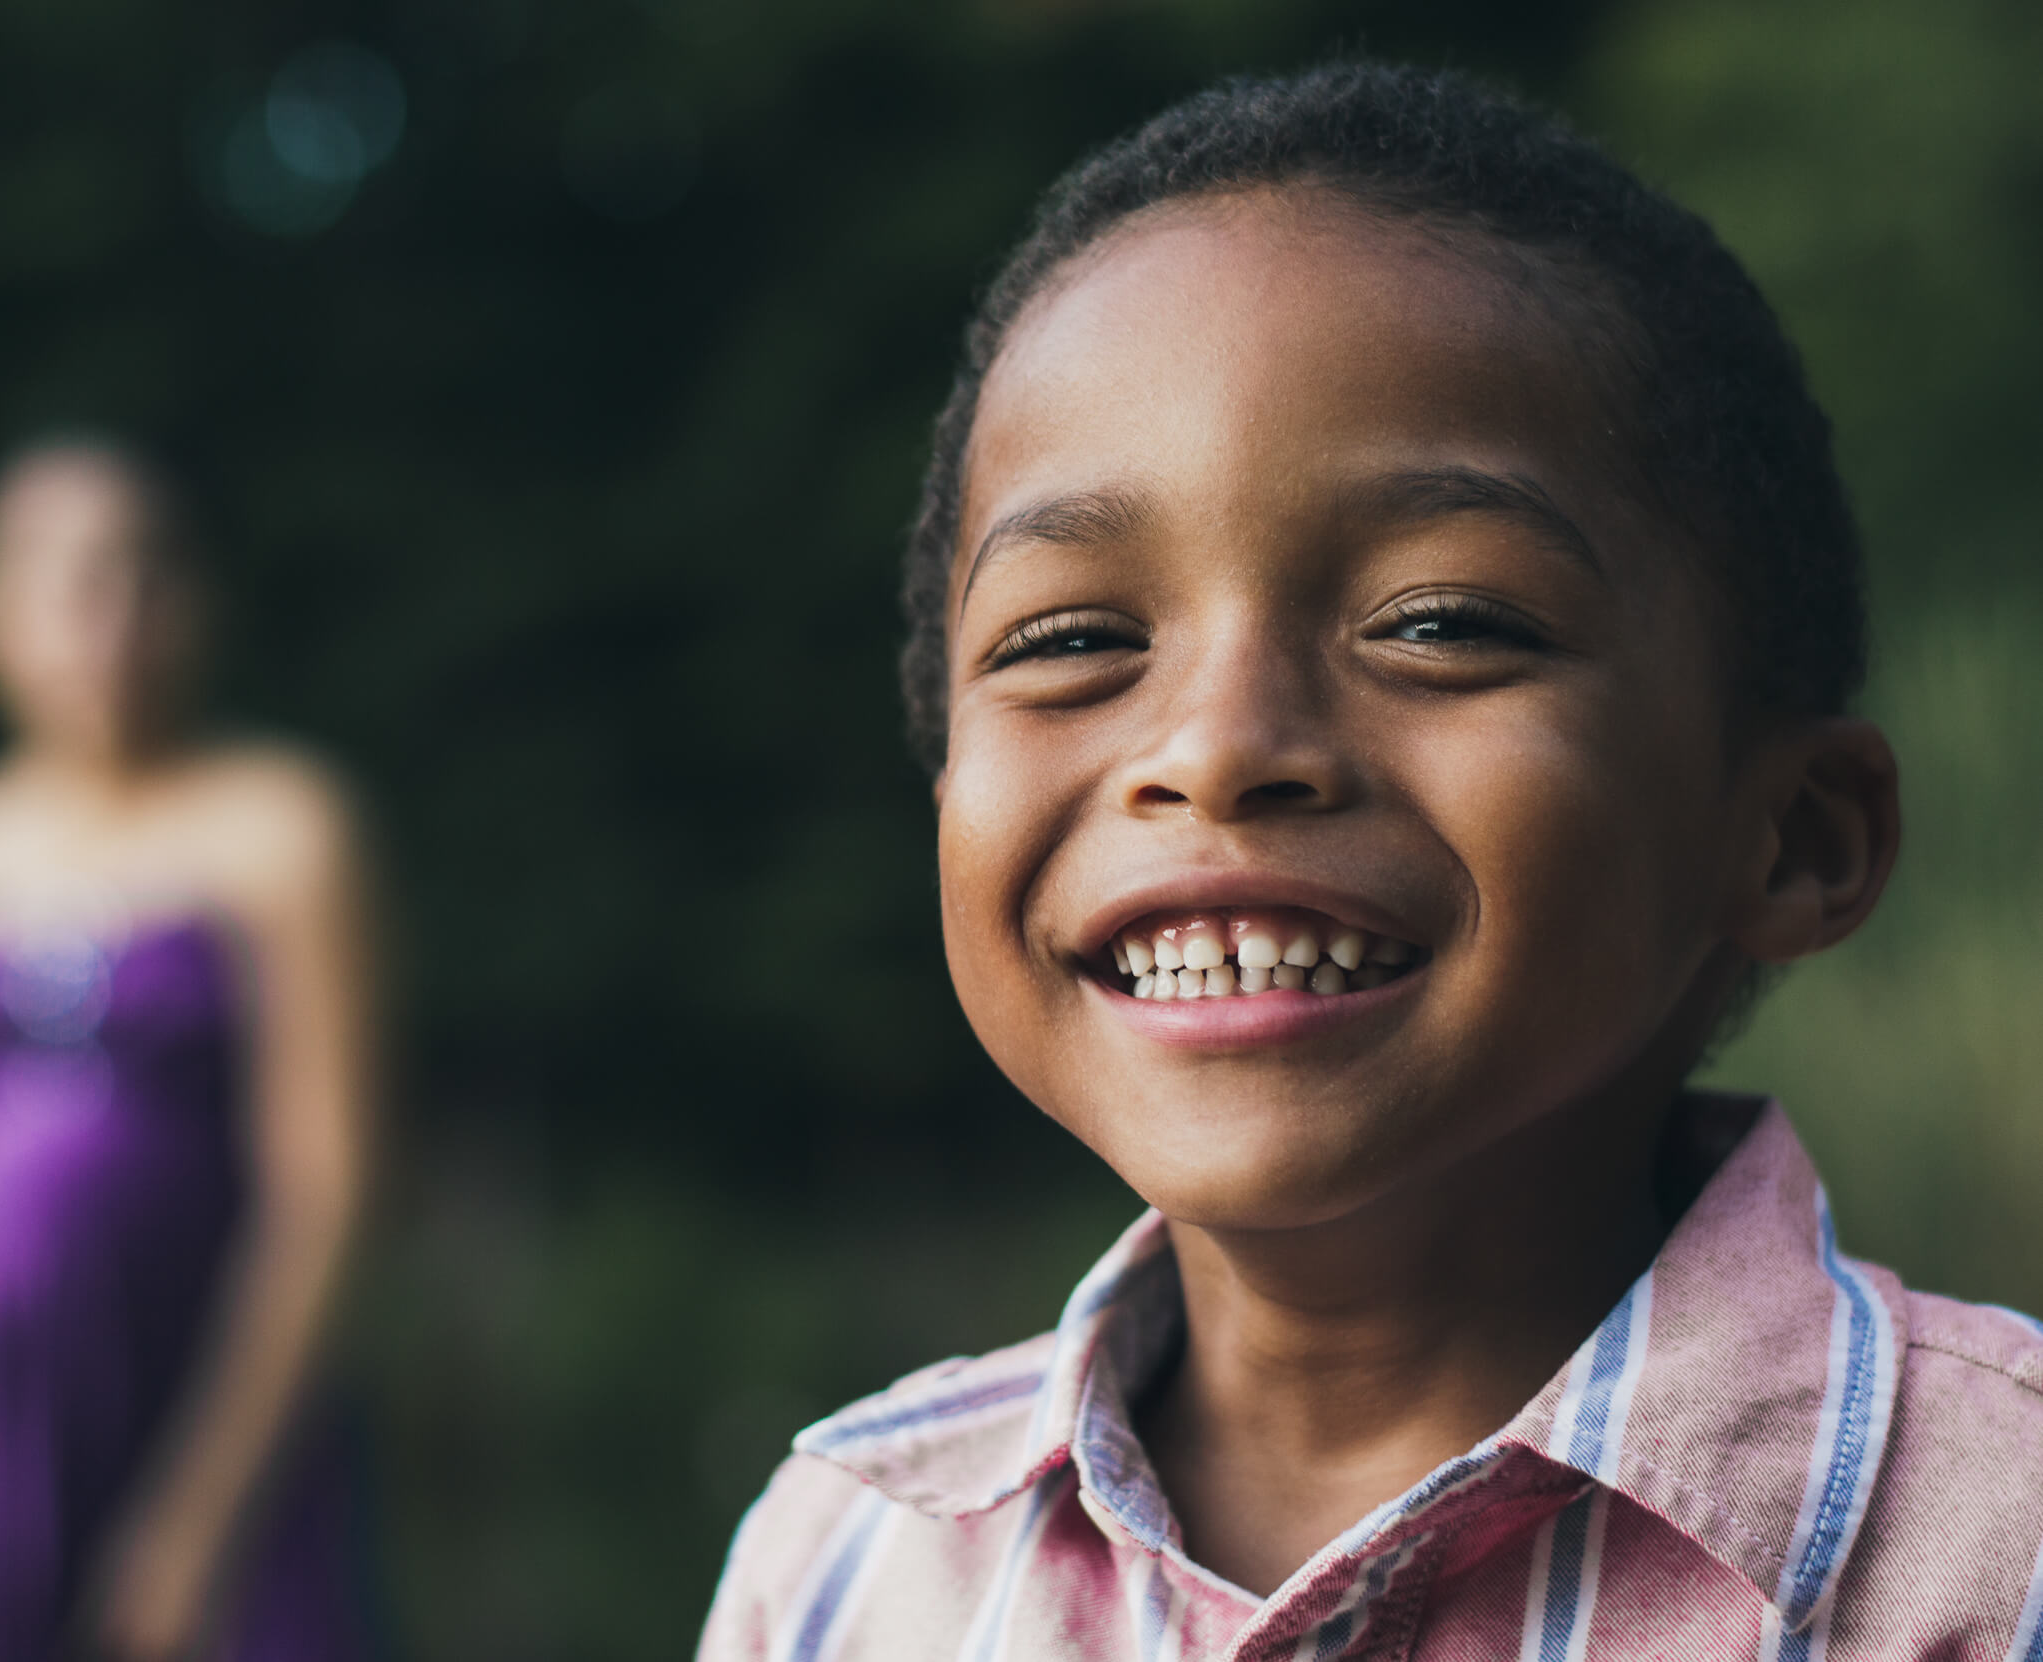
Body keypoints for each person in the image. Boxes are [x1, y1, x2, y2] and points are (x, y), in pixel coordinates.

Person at [699, 63, 2043, 1659]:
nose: (1214, 743)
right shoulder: (851, 1562)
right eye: (1074, 637)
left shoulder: (1996, 1545)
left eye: (1443, 621)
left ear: (1795, 836)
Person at [0, 438, 383, 1661]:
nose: (108, 621)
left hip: (195, 1387)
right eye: (67, 584)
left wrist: (203, 1512)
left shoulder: (279, 828)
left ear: (196, 605)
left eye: (143, 577)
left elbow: (324, 1186)